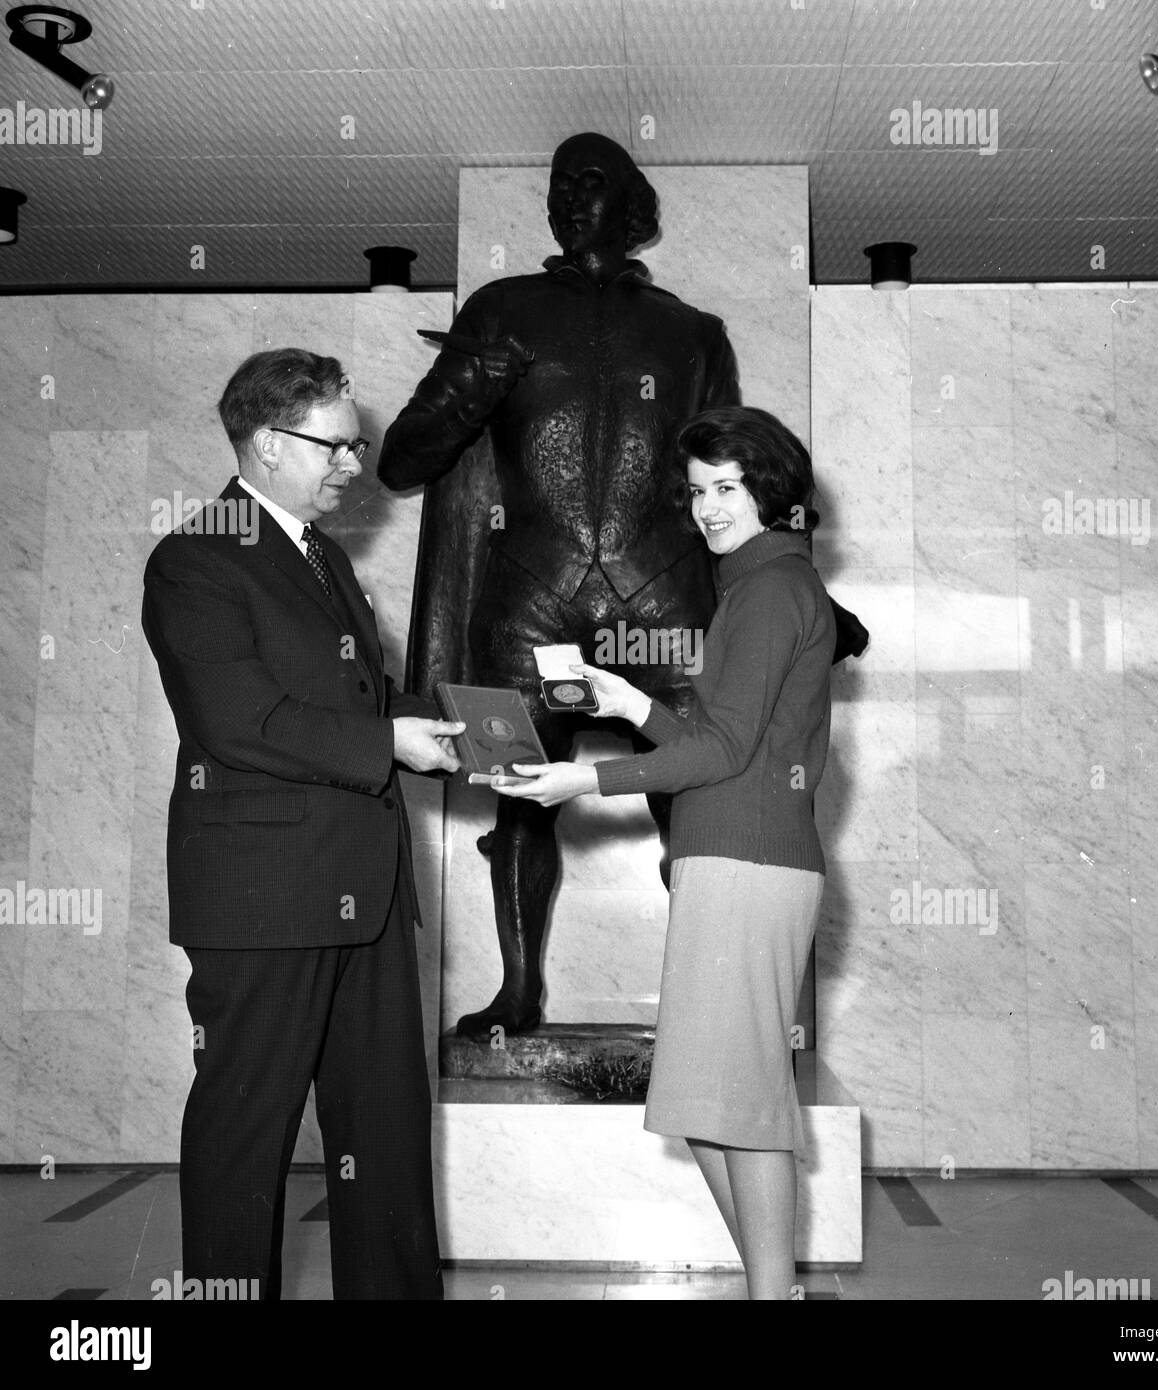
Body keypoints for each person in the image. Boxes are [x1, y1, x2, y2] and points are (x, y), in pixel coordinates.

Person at [377, 130, 740, 1038]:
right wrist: (472, 384)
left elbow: (738, 479)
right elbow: (400, 460)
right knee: (516, 795)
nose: (568, 198)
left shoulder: (693, 333)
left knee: (691, 796)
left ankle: (706, 995)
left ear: (632, 202)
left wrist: (789, 589)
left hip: (660, 593)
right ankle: (519, 990)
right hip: (531, 591)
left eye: (590, 182)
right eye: (558, 185)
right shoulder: (503, 309)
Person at [141, 348, 464, 1300]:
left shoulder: (318, 557)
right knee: (246, 1134)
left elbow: (355, 696)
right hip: (263, 899)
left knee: (386, 1134)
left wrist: (459, 721)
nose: (353, 466)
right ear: (269, 443)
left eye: (353, 445)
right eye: (336, 446)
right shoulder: (196, 559)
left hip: (362, 885)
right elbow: (237, 721)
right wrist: (389, 746)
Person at [495, 405, 835, 1300]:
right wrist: (623, 702)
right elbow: (726, 738)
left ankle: (775, 1296)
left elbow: (722, 756)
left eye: (728, 487)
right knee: (707, 1101)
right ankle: (776, 1291)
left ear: (773, 489)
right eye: (696, 492)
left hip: (747, 865)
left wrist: (582, 784)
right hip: (733, 857)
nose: (709, 508)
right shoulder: (761, 588)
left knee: (742, 1101)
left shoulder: (770, 591)